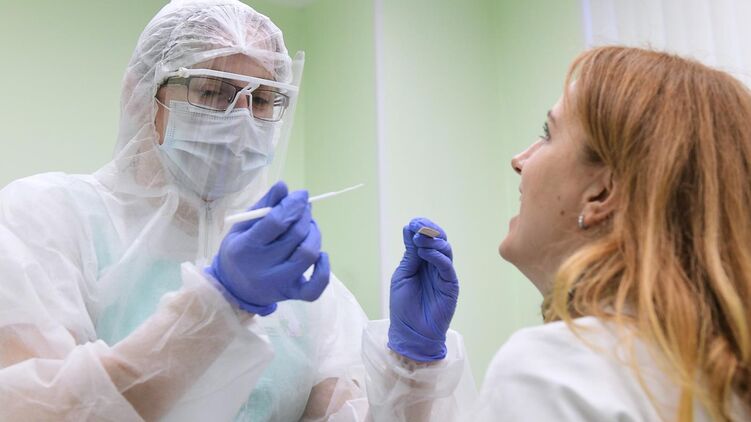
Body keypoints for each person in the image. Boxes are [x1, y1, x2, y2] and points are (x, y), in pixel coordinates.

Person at [0, 0, 475, 420]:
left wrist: (411, 367)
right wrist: (219, 306)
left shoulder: (294, 280)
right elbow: (35, 409)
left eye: (263, 99)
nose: (242, 121)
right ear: (142, 94)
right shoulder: (49, 219)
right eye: (212, 91)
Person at [385, 46, 751, 421]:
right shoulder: (721, 377)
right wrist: (415, 369)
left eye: (547, 134)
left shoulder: (552, 375)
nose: (519, 161)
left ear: (601, 194)